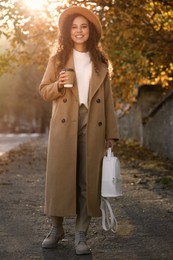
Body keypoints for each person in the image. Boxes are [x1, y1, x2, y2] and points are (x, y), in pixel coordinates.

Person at [39, 6, 119, 255]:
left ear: (91, 30)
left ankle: (81, 235)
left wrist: (111, 133)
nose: (79, 31)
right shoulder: (57, 60)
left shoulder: (101, 63)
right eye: (74, 27)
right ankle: (56, 228)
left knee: (88, 180)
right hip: (64, 124)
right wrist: (58, 85)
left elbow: (107, 99)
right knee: (60, 178)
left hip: (93, 123)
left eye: (84, 26)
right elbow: (43, 91)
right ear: (67, 31)